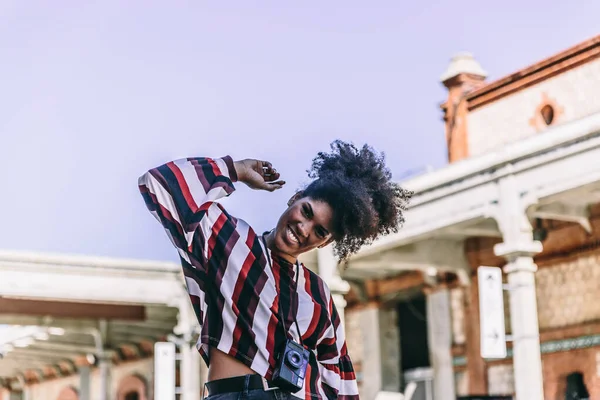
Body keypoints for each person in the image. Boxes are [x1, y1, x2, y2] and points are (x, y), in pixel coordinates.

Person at [138, 140, 411, 400]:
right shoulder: (230, 241)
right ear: (295, 198)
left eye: (319, 230)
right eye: (306, 211)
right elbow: (160, 183)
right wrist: (237, 170)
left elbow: (339, 378)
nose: (304, 229)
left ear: (325, 241)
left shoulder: (318, 294)